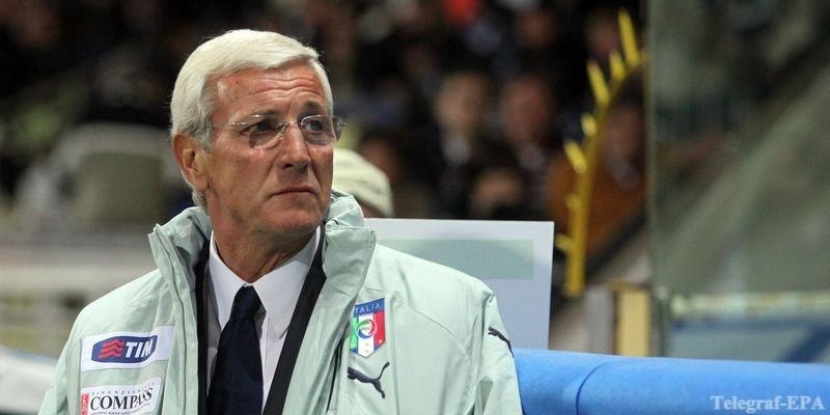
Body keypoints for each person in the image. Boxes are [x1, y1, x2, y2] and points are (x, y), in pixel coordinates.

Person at [39, 29, 521, 415]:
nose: (298, 153)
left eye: (315, 125)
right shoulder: (105, 332)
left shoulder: (452, 317)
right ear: (192, 159)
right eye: (262, 128)